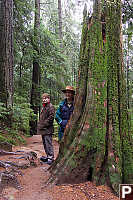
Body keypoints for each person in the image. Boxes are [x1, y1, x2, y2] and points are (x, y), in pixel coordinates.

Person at [37, 93, 55, 165]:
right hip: (43, 129)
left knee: (48, 143)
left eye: (46, 98)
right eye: (43, 98)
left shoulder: (51, 107)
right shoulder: (44, 107)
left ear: (49, 99)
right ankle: (48, 156)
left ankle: (51, 158)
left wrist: (43, 125)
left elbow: (51, 118)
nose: (44, 100)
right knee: (45, 143)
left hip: (48, 129)